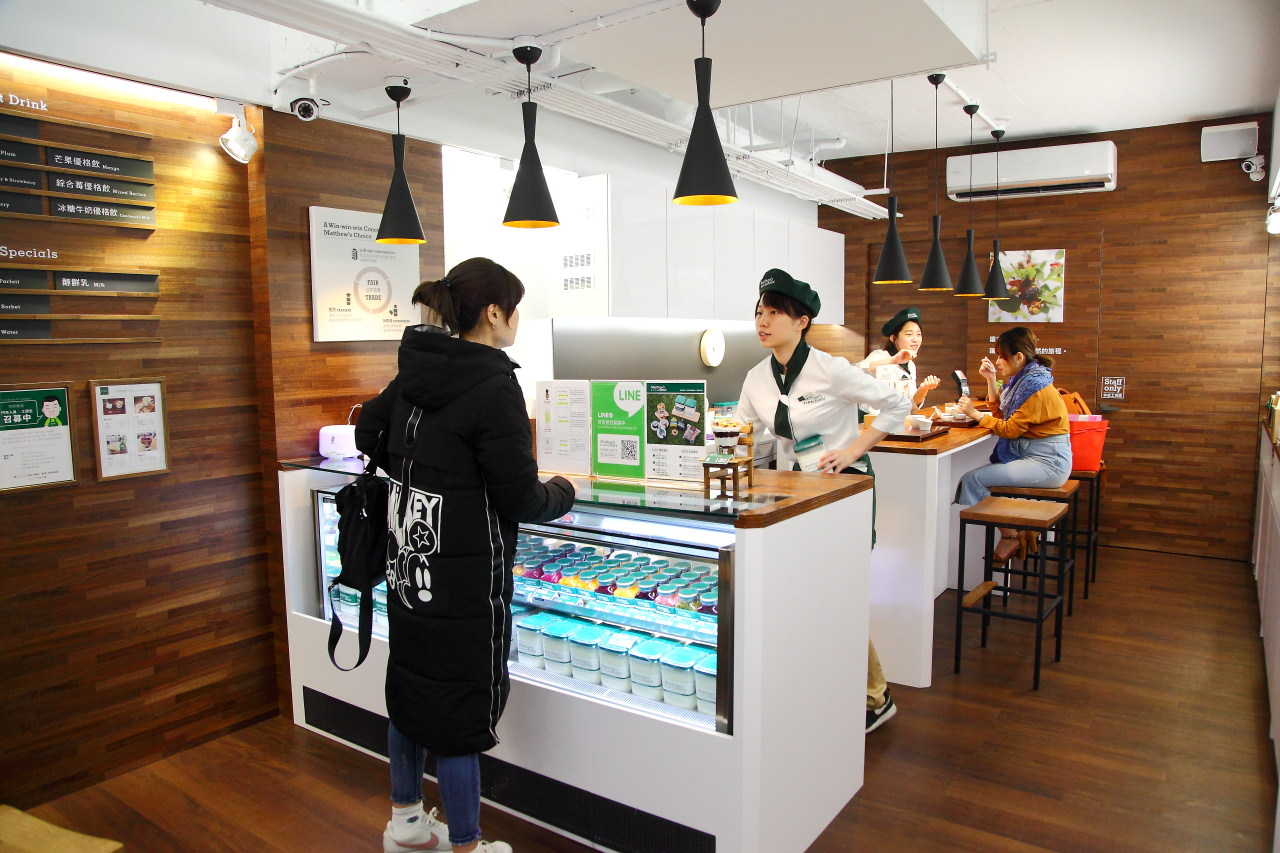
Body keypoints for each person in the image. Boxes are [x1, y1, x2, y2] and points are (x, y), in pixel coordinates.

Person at [355, 257, 576, 853]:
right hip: (467, 582)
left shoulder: (417, 365)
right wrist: (565, 490)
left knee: (410, 691)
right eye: (516, 308)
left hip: (410, 565)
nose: (518, 320)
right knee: (459, 713)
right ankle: (468, 846)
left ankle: (405, 823)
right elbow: (519, 497)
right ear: (495, 313)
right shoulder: (494, 385)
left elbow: (366, 433)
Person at [735, 268, 912, 733]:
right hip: (797, 495)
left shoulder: (830, 369)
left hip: (843, 490)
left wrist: (852, 450)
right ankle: (821, 687)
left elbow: (897, 404)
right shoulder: (756, 378)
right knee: (806, 594)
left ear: (802, 321)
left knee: (838, 595)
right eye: (759, 312)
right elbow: (742, 435)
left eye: (775, 313)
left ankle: (876, 696)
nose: (763, 321)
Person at [955, 326, 1072, 563]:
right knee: (974, 479)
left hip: (1048, 463)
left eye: (1001, 357)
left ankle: (1010, 535)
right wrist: (991, 380)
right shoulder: (1026, 381)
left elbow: (1010, 429)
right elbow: (1002, 414)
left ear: (1018, 357)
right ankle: (1018, 531)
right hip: (1037, 456)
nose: (997, 362)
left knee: (973, 479)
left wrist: (975, 415)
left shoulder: (1035, 388)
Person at [857, 307, 941, 409]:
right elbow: (856, 371)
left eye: (918, 334)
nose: (915, 339)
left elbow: (910, 406)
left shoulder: (911, 365)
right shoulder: (880, 356)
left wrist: (923, 389)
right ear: (894, 338)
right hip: (871, 418)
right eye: (909, 334)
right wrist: (893, 360)